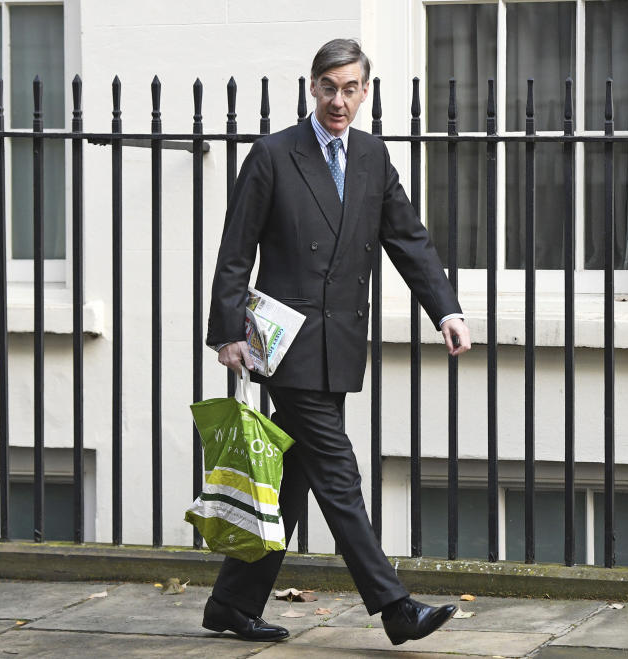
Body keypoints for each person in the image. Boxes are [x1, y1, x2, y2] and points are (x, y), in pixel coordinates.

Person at [203, 38, 471, 646]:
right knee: (339, 473)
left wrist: (446, 309)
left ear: (366, 92)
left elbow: (408, 239)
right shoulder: (274, 154)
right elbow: (235, 250)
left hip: (340, 344)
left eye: (351, 88)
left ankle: (232, 603)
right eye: (330, 87)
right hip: (286, 345)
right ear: (313, 87)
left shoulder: (373, 157)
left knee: (294, 480)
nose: (339, 100)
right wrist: (226, 334)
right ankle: (394, 605)